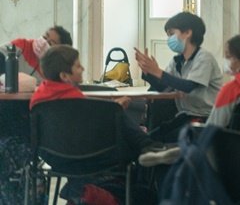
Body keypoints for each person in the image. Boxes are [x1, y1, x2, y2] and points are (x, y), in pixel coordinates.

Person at [30, 45, 177, 202]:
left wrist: (111, 111)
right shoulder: (74, 101)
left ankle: (148, 148)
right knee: (121, 121)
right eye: (78, 66)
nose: (83, 68)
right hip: (92, 159)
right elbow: (91, 134)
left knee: (116, 113)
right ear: (64, 76)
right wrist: (113, 111)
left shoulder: (39, 101)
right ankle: (148, 147)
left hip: (56, 160)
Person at [135, 11, 223, 142]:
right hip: (185, 115)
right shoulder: (177, 60)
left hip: (204, 119)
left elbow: (188, 86)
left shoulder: (204, 58)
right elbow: (165, 87)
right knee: (150, 138)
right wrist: (149, 72)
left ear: (187, 32)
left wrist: (158, 72)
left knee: (162, 140)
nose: (169, 39)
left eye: (171, 34)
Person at [6, 25, 72, 82]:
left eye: (50, 43)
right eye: (45, 37)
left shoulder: (54, 73)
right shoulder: (22, 45)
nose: (43, 42)